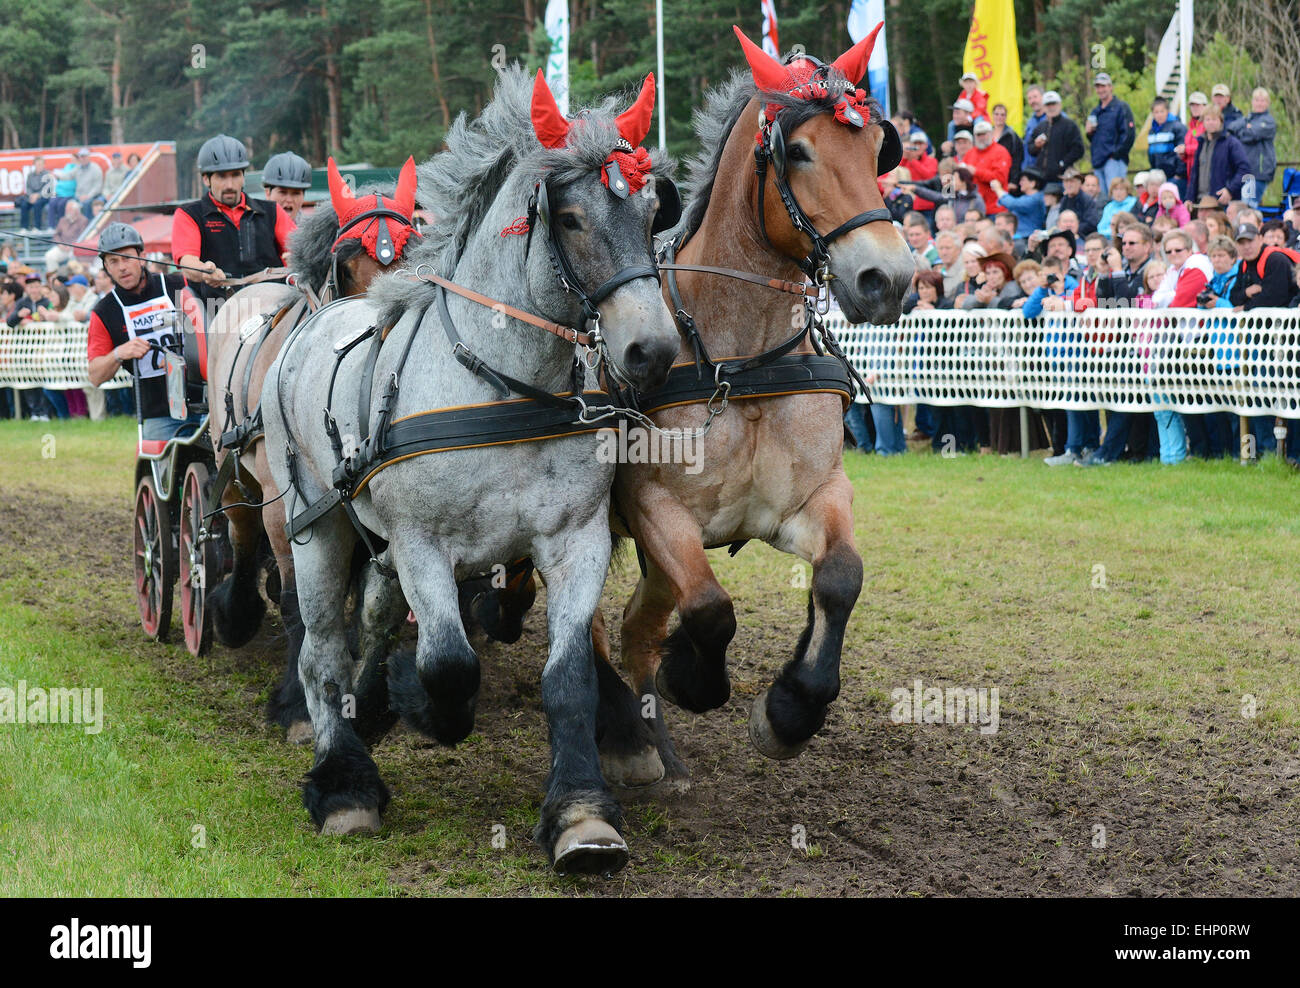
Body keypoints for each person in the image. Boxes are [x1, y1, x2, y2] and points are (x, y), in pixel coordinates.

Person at [86, 223, 206, 441]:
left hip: (204, 400)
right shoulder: (104, 312)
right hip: (157, 413)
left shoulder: (179, 285)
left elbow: (213, 328)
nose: (122, 267)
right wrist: (119, 353)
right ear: (105, 267)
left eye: (127, 258)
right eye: (113, 261)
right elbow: (94, 376)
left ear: (142, 257)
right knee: (162, 471)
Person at [172, 134, 295, 305]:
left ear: (243, 176)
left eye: (236, 175)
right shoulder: (189, 214)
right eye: (222, 176)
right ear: (206, 179)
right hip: (217, 308)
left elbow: (296, 249)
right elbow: (187, 263)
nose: (230, 184)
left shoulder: (272, 211)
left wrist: (296, 257)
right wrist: (204, 271)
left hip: (274, 306)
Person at [1187, 107, 1251, 208]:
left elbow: (1245, 170)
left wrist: (1230, 190)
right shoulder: (1201, 143)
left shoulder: (1231, 143)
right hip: (1200, 201)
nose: (1211, 123)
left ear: (1221, 121)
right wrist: (1189, 198)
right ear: (1203, 122)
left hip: (1222, 201)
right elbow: (1195, 174)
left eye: (1214, 119)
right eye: (1208, 119)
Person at [1085, 73, 1135, 195]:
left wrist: (1116, 155)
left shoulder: (1121, 107)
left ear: (1110, 87)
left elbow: (1129, 134)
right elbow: (1093, 138)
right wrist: (1089, 132)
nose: (1101, 90)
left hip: (1114, 161)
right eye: (1098, 87)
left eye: (1103, 86)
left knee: (1117, 196)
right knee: (1102, 200)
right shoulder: (1095, 111)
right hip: (1098, 161)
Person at [1229, 88, 1277, 208]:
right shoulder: (1248, 118)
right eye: (1257, 100)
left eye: (1263, 100)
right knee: (1242, 207)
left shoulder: (1269, 121)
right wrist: (1247, 127)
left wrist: (1245, 130)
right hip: (1245, 170)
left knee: (1249, 206)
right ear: (1252, 102)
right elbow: (1231, 128)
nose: (1259, 103)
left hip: (1259, 172)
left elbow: (1250, 135)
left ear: (1268, 103)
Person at [1027, 91, 1084, 183]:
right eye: (1048, 105)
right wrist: (1036, 146)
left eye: (1053, 104)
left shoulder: (1069, 125)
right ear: (1044, 107)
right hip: (1041, 177)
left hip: (1062, 177)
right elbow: (1030, 149)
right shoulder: (1040, 126)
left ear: (1060, 105)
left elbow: (1078, 149)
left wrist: (1062, 164)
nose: (1051, 107)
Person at [965, 120, 1011, 215]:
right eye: (978, 135)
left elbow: (1000, 178)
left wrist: (976, 172)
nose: (981, 138)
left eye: (984, 134)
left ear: (991, 134)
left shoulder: (1001, 152)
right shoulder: (970, 153)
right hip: (974, 209)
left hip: (995, 208)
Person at [992, 167, 1045, 245]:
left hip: (1028, 239)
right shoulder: (1024, 197)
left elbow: (1013, 204)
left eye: (1023, 180)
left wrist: (998, 189)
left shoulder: (1036, 198)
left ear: (1032, 183)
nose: (1020, 183)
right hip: (1019, 237)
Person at [1145, 98, 1187, 194]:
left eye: (1161, 111)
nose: (1159, 115)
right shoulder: (1151, 132)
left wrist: (1179, 174)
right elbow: (1151, 154)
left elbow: (1183, 151)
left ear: (1167, 111)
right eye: (1156, 112)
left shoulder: (1177, 127)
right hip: (1159, 177)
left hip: (1174, 176)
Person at [260, 151, 313, 220]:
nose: (289, 200)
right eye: (282, 192)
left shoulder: (312, 228)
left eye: (296, 193)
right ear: (267, 193)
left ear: (303, 196)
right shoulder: (251, 226)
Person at [1177, 92, 1208, 186]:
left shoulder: (1208, 124)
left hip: (1204, 172)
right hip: (1191, 175)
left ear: (1205, 106)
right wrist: (1182, 154)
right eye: (1192, 105)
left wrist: (1186, 149)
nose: (1194, 107)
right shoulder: (1191, 128)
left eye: (1197, 105)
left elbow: (1205, 146)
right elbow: (1189, 157)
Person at [1059, 167, 1101, 236]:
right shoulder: (1064, 200)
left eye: (1072, 181)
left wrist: (1073, 229)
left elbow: (1091, 223)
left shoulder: (1087, 200)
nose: (1069, 184)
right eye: (1066, 181)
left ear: (1079, 183)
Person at [989, 103, 1023, 183]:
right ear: (992, 115)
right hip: (989, 174)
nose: (999, 117)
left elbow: (1017, 160)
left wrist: (1013, 181)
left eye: (1002, 115)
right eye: (996, 114)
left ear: (1006, 116)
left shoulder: (1012, 136)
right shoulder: (987, 133)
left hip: (1006, 176)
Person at [21, 156, 53, 231]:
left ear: (44, 165)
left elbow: (47, 189)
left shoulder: (47, 174)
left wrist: (37, 195)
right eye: (38, 164)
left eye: (41, 164)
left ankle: (37, 227)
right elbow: (28, 187)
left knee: (37, 204)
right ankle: (24, 227)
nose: (39, 166)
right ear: (34, 165)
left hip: (43, 196)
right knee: (24, 204)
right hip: (32, 196)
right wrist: (31, 195)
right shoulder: (30, 175)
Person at [71, 148, 104, 213]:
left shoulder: (96, 168)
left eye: (84, 156)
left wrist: (88, 196)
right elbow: (68, 175)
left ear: (89, 157)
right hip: (79, 196)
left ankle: (88, 222)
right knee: (68, 204)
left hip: (92, 196)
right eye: (81, 156)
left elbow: (98, 187)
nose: (83, 158)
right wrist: (57, 175)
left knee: (86, 204)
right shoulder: (77, 168)